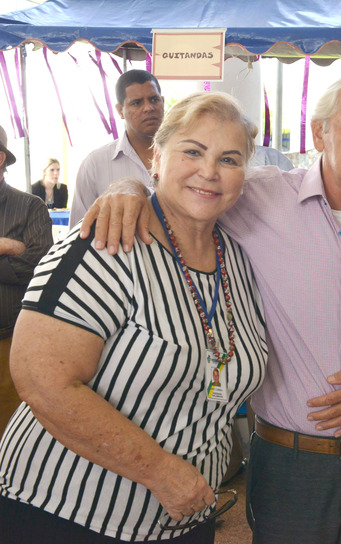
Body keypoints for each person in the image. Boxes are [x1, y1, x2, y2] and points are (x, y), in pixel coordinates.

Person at [79, 72, 341, 544]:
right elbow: (187, 190)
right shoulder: (256, 196)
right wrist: (128, 187)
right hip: (289, 462)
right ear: (319, 133)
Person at [0, 92, 268, 543]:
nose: (209, 171)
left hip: (183, 517)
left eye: (229, 159)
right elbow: (41, 379)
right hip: (67, 511)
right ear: (156, 159)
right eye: (192, 151)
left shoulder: (240, 258)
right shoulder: (105, 243)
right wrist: (161, 472)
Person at [0, 125, 53, 430]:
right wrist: (8, 247)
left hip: (11, 342)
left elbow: (38, 266)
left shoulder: (30, 207)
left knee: (11, 429)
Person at [69, 69, 164, 227]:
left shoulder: (186, 157)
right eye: (137, 103)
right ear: (120, 111)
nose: (148, 108)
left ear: (163, 102)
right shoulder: (95, 164)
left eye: (154, 99)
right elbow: (79, 229)